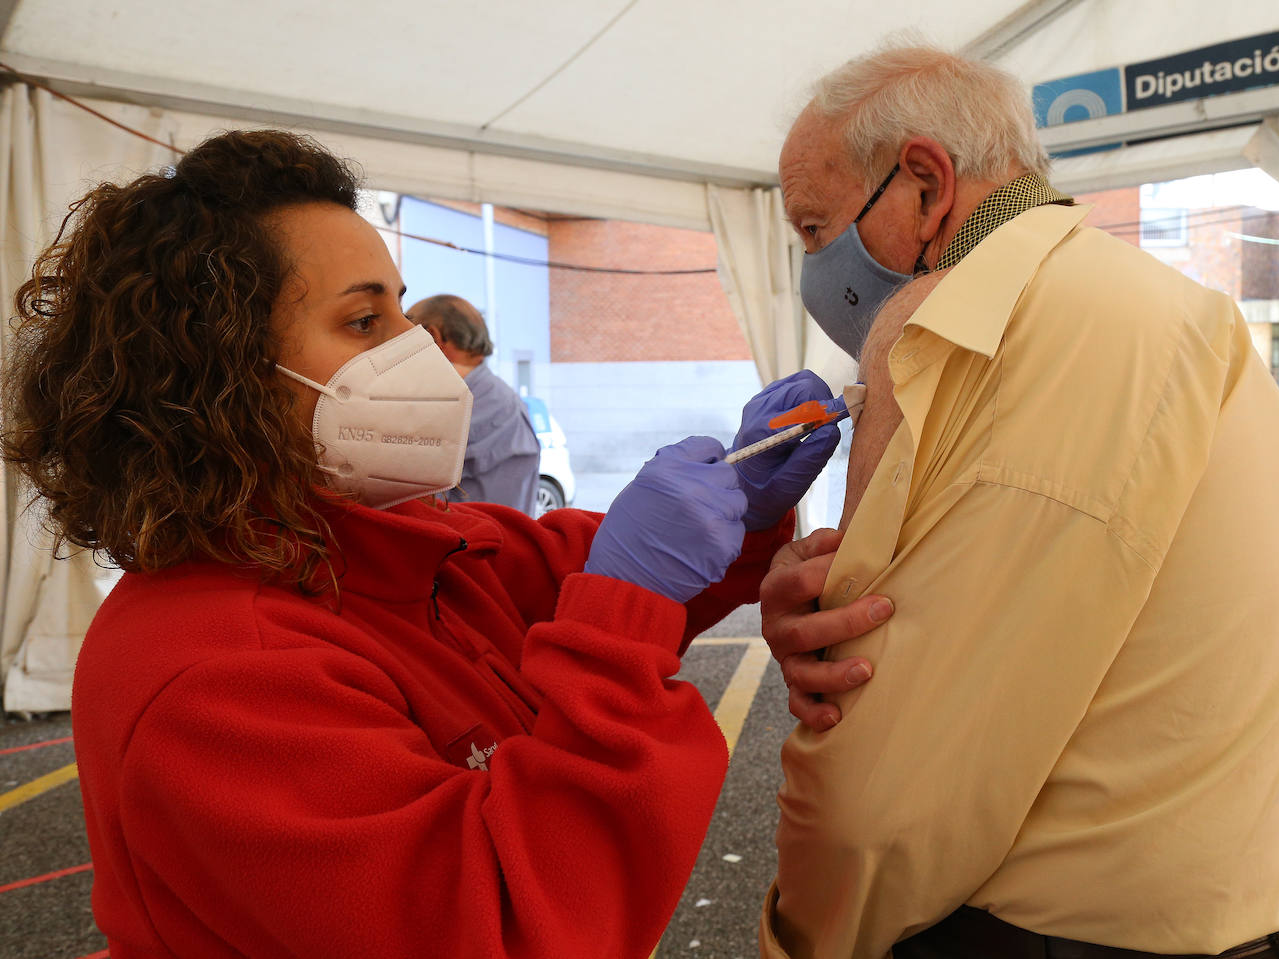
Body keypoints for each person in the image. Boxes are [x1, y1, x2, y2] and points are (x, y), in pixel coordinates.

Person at [0, 129, 842, 959]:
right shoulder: (211, 673)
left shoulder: (402, 546)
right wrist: (623, 616)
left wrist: (738, 511)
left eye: (403, 307)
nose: (416, 348)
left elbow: (573, 568)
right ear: (217, 375)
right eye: (365, 320)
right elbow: (507, 927)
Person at [758, 43, 1279, 959]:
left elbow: (878, 806)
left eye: (812, 229)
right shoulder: (1163, 310)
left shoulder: (974, 338)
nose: (813, 272)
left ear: (924, 184)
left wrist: (793, 937)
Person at [410, 294, 542, 514]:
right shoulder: (495, 398)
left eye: (404, 342)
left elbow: (421, 500)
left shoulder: (466, 405)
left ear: (432, 337)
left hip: (478, 542)